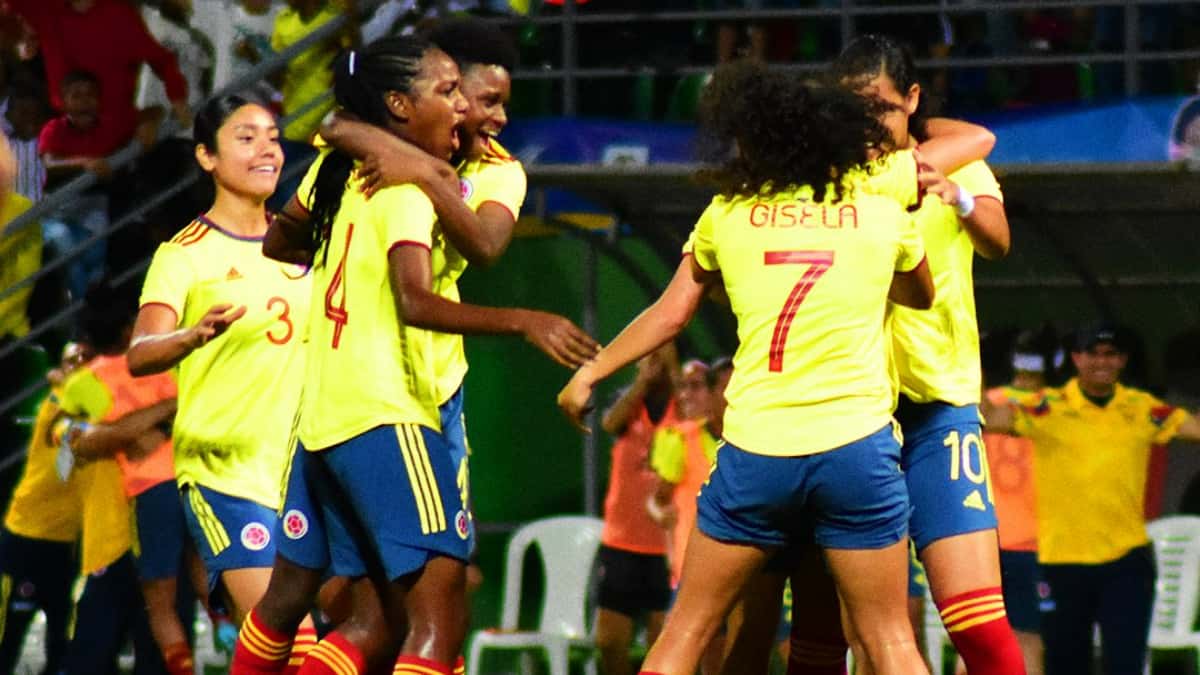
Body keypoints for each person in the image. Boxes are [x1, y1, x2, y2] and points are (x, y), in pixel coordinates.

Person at [559, 59, 935, 675]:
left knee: (688, 631)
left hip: (757, 454)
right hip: (856, 451)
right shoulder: (881, 214)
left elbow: (671, 314)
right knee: (888, 638)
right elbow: (921, 296)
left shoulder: (727, 215)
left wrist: (590, 373)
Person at [245, 35, 595, 675]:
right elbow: (413, 296)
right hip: (399, 406)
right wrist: (523, 319)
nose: (482, 115)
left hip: (328, 407)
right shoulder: (396, 182)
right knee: (440, 605)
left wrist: (414, 172)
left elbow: (484, 240)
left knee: (356, 609)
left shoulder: (467, 169)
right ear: (406, 103)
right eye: (466, 95)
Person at [825, 34, 1021, 675]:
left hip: (940, 410)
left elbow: (996, 241)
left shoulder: (957, 164)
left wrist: (957, 197)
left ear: (911, 99)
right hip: (853, 417)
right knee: (857, 632)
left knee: (980, 625)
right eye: (852, 107)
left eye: (880, 106)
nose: (868, 123)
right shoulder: (833, 177)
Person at [127, 94, 310, 626]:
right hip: (226, 475)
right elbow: (140, 354)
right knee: (285, 643)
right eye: (246, 138)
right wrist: (192, 335)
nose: (267, 151)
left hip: (305, 472)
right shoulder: (184, 254)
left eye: (273, 138)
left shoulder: (302, 244)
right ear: (206, 157)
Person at [985, 324, 1200, 675]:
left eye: (1111, 354)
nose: (1102, 361)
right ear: (1076, 358)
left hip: (1125, 562)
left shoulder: (1141, 408)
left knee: (1125, 664)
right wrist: (968, 365)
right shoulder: (1047, 406)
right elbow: (991, 419)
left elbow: (1193, 426)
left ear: (1123, 360)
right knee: (1066, 665)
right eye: (1093, 353)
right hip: (1062, 562)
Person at [66, 283, 197, 675]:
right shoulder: (156, 368)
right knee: (177, 599)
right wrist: (158, 418)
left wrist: (133, 429)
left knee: (160, 604)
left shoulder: (82, 383)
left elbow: (103, 439)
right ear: (129, 329)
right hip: (162, 496)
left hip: (140, 506)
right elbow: (86, 443)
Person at [0, 343, 85, 675]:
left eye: (84, 358)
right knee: (12, 630)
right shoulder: (56, 403)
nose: (79, 365)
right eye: (71, 360)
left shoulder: (86, 402)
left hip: (65, 540)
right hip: (28, 533)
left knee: (60, 632)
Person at [0, 0, 191, 149]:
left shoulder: (116, 16)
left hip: (120, 137)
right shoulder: (47, 15)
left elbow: (161, 61)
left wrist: (176, 100)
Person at [595, 342, 676, 675]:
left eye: (661, 350)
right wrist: (642, 383)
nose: (653, 356)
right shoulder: (627, 403)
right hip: (621, 544)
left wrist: (673, 373)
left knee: (663, 643)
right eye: (647, 351)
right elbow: (610, 424)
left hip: (666, 548)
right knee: (610, 642)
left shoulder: (682, 406)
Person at [983, 329, 1055, 675]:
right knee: (1027, 639)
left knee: (979, 639)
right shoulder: (1057, 405)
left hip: (986, 541)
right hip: (1028, 544)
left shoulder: (989, 401)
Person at [271, 0, 349, 142]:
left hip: (325, 118)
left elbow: (353, 55)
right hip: (292, 118)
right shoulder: (283, 18)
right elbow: (276, 75)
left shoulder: (334, 16)